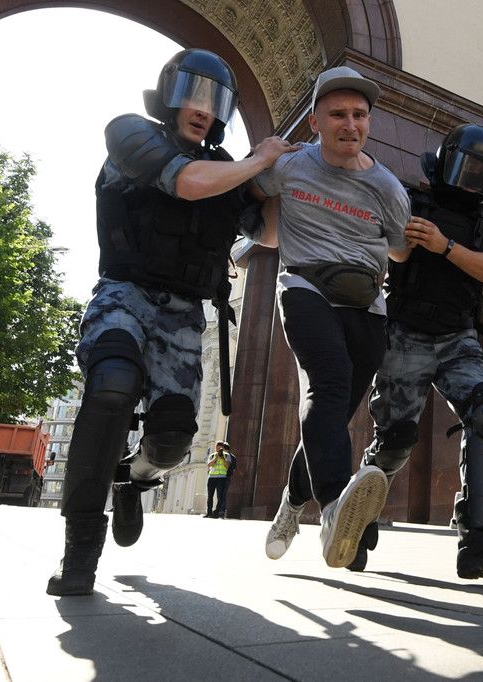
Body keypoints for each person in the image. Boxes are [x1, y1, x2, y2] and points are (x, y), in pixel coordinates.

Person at [46, 48, 297, 597]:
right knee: (111, 388)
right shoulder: (130, 134)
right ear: (168, 94)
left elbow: (269, 234)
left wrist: (281, 180)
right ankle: (80, 551)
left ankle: (132, 481)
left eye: (216, 100)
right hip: (124, 295)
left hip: (184, 314)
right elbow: (185, 182)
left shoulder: (227, 171)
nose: (203, 108)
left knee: (173, 439)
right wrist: (257, 162)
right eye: (194, 93)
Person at [346, 123, 483, 577]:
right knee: (394, 441)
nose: (473, 181)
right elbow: (383, 246)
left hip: (458, 338)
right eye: (469, 169)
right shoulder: (411, 202)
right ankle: (354, 523)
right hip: (405, 335)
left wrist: (445, 246)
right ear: (449, 162)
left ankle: (479, 539)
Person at [259, 66, 411, 569]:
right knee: (328, 382)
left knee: (334, 414)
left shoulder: (387, 187)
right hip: (304, 287)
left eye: (360, 115)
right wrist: (259, 159)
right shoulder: (289, 166)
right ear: (315, 123)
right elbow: (249, 196)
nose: (350, 125)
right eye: (338, 114)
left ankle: (290, 503)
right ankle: (332, 510)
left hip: (365, 304)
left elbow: (400, 250)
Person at [203, 440, 236, 518]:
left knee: (220, 496)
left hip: (221, 478)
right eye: (217, 448)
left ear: (223, 448)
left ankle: (217, 512)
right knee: (210, 496)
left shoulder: (227, 455)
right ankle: (209, 512)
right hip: (212, 478)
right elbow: (209, 465)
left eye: (220, 448)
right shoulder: (212, 455)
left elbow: (227, 466)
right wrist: (216, 458)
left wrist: (222, 457)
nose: (218, 450)